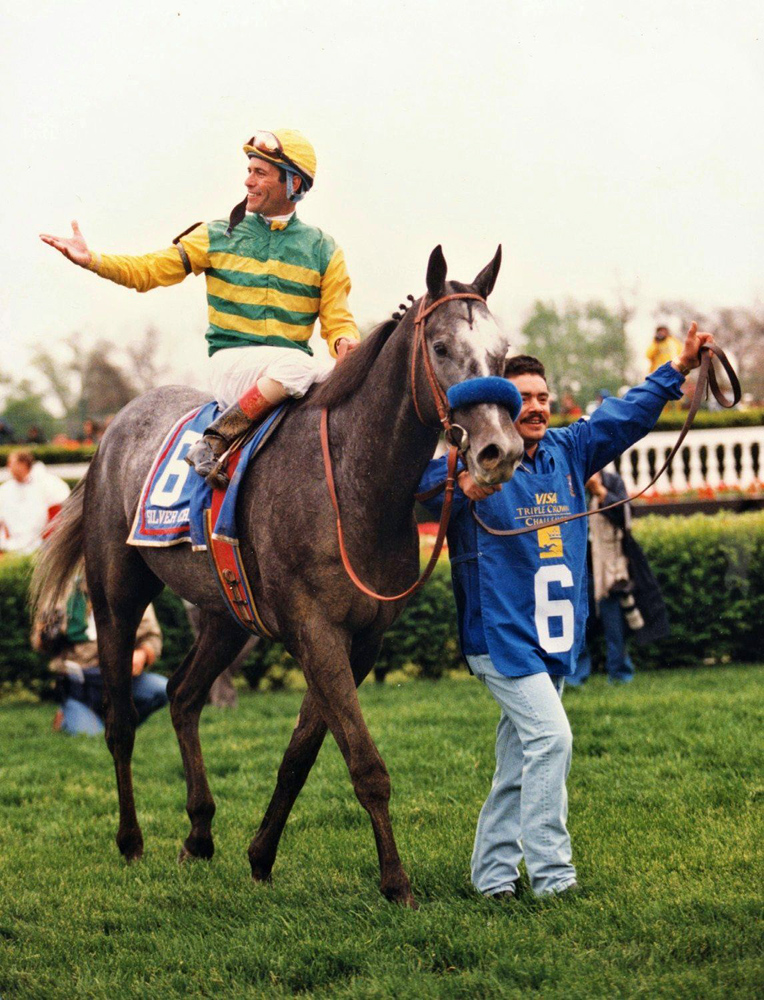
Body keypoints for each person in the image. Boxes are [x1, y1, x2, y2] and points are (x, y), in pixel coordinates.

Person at [417, 324, 710, 899]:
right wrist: (455, 484)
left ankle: (493, 877)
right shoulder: (471, 465)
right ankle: (554, 877)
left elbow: (624, 415)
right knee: (553, 741)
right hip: (499, 642)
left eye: (543, 397)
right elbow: (407, 492)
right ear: (499, 404)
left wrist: (679, 368)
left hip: (552, 640)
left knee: (519, 763)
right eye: (522, 398)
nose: (535, 407)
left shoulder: (570, 451)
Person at [40, 129, 360, 487]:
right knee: (300, 365)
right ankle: (215, 438)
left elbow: (338, 320)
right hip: (236, 365)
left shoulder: (324, 249)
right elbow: (149, 271)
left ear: (294, 183)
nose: (248, 181)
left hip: (289, 375)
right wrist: (94, 260)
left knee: (357, 385)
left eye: (260, 173)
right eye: (249, 170)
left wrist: (346, 344)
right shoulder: (216, 234)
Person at [567, 468, 669, 686]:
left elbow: (625, 516)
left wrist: (599, 491)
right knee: (577, 623)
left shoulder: (612, 481)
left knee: (615, 624)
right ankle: (575, 677)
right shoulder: (570, 479)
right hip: (578, 564)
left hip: (608, 566)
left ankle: (620, 674)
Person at [36, 581, 168, 736]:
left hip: (119, 680)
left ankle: (115, 722)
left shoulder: (132, 588)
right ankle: (70, 714)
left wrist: (143, 654)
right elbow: (40, 644)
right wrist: (47, 634)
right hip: (80, 684)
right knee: (94, 737)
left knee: (162, 689)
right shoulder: (60, 590)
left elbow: (152, 637)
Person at [0, 449, 70, 555]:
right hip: (11, 547)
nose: (9, 467)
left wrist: (48, 540)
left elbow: (59, 511)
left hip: (41, 546)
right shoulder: (5, 489)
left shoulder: (48, 483)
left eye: (12, 463)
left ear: (23, 464)